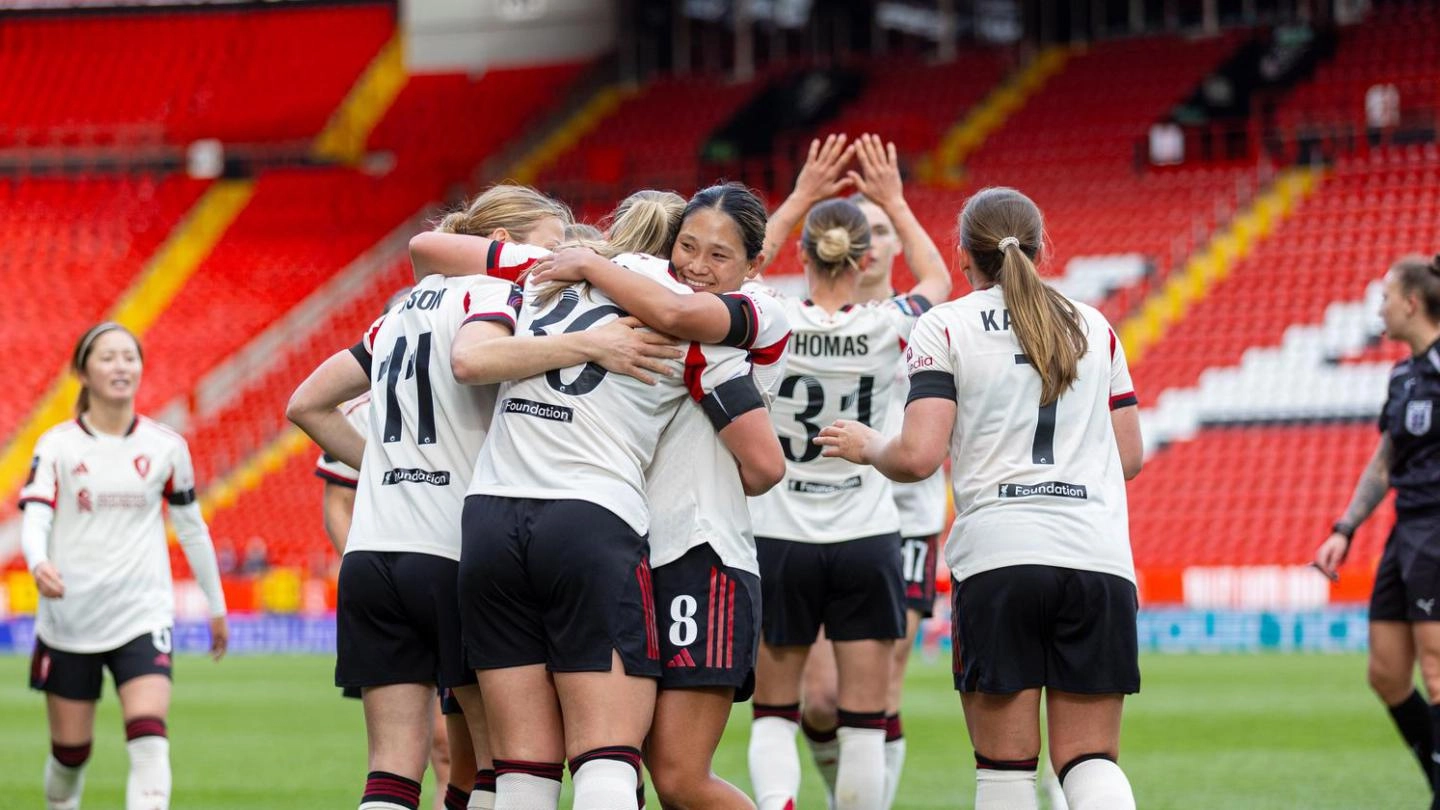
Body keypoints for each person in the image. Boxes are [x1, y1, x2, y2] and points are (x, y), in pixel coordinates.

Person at [288, 183, 619, 810]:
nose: (557, 261)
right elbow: (473, 362)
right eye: (550, 245)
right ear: (502, 243)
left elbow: (305, 403)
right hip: (452, 552)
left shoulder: (397, 313)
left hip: (373, 556)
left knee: (390, 773)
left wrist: (388, 466)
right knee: (504, 761)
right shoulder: (491, 295)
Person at [450, 190, 783, 810]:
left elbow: (431, 253)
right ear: (670, 246)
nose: (697, 266)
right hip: (601, 522)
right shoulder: (690, 319)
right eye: (689, 248)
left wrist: (580, 264)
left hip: (494, 517)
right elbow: (764, 466)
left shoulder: (541, 282)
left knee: (526, 766)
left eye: (715, 254)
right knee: (609, 758)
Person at [815, 186, 1144, 810]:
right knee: (1089, 762)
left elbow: (917, 457)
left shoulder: (946, 325)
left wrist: (868, 445)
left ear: (963, 254)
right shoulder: (1094, 325)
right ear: (1040, 250)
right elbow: (1129, 457)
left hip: (1000, 555)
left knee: (1005, 770)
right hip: (1096, 555)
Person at [741, 134, 952, 810]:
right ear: (864, 260)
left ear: (803, 256)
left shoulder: (771, 319)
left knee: (775, 713)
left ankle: (778, 804)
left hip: (780, 536)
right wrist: (895, 201)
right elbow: (938, 282)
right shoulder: (888, 325)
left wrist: (801, 194)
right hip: (866, 536)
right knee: (866, 720)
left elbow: (740, 271)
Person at [20, 322, 229, 810]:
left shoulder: (166, 447)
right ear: (83, 372)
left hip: (142, 615)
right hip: (70, 620)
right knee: (70, 756)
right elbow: (36, 516)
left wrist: (216, 605)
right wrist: (38, 561)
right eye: (108, 357)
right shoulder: (57, 445)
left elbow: (192, 529)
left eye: (129, 357)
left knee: (149, 738)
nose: (121, 367)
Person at [1314, 254, 1440, 804]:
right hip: (1405, 531)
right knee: (1386, 673)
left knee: (1437, 670)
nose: (1379, 308)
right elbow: (1386, 461)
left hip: (1436, 529)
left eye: (1386, 297)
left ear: (1411, 303)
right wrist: (1345, 527)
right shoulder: (1403, 376)